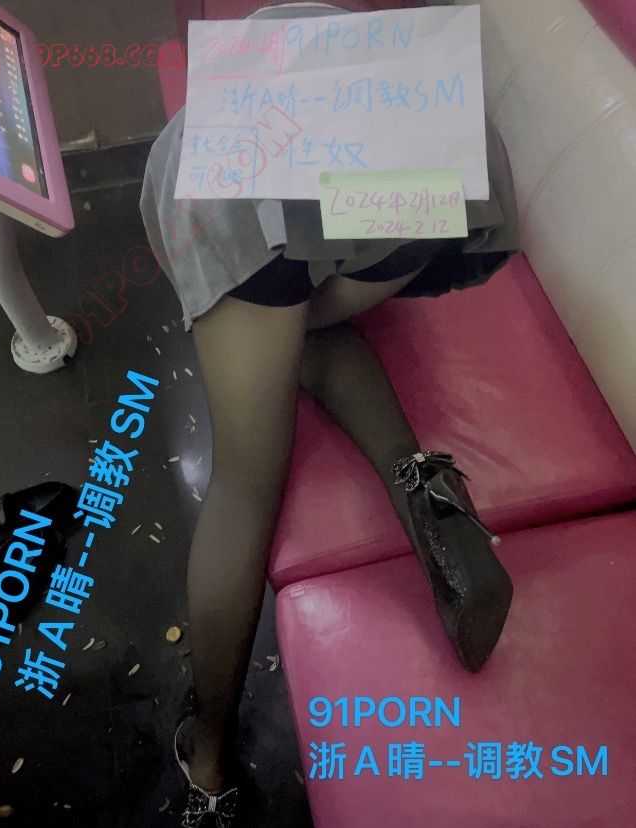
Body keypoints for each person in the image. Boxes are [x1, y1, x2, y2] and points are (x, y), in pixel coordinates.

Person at [140, 2, 520, 824]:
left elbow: (221, 220)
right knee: (302, 325)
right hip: (438, 152)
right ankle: (428, 495)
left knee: (246, 484)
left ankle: (207, 758)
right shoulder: (355, 40)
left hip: (258, 183)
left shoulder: (203, 135)